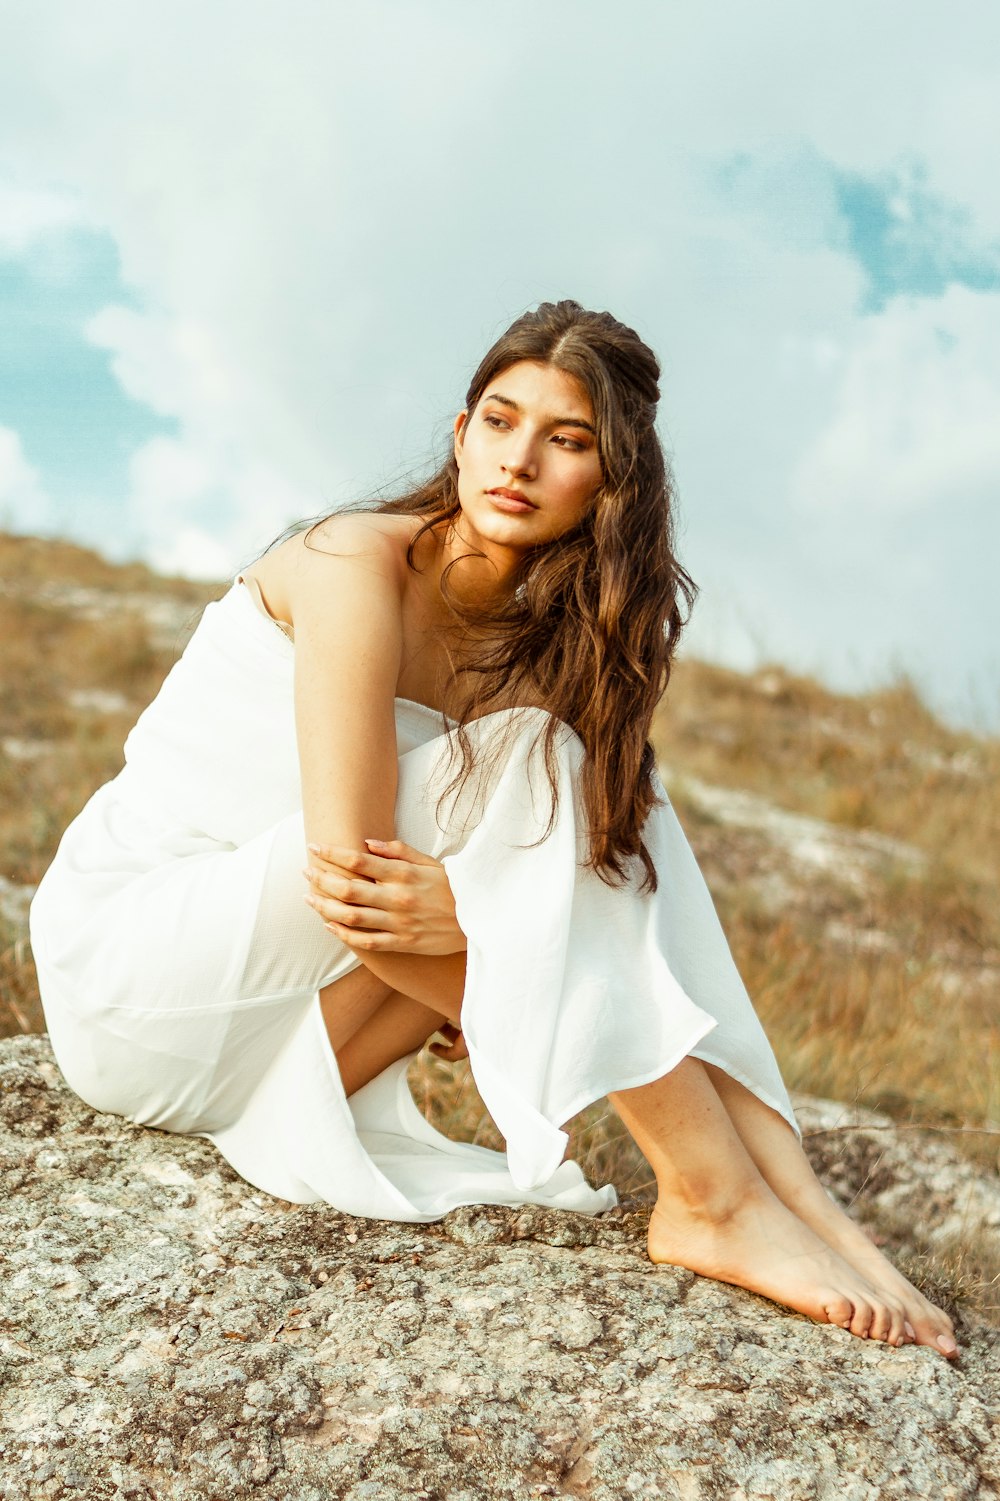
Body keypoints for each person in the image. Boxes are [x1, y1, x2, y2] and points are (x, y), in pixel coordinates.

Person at [29, 299, 958, 1358]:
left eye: (565, 441)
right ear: (461, 431)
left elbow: (550, 929)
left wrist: (501, 952)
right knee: (544, 767)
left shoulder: (545, 652)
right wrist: (504, 949)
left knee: (623, 808)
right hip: (141, 980)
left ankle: (803, 1205)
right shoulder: (352, 562)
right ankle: (709, 1192)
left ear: (612, 481)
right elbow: (351, 884)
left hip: (284, 1051)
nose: (517, 461)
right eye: (499, 421)